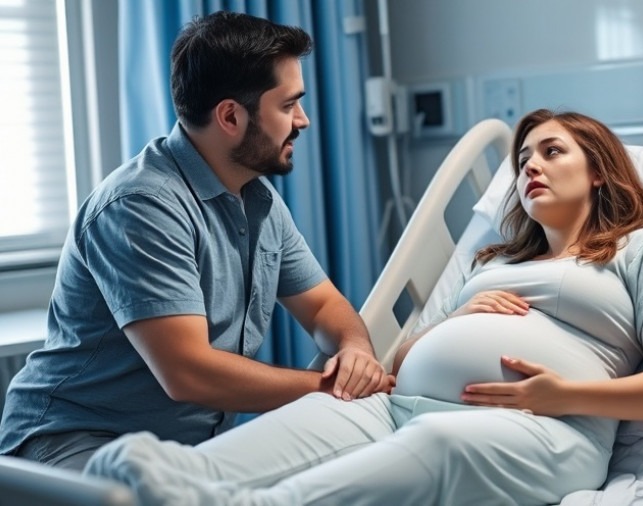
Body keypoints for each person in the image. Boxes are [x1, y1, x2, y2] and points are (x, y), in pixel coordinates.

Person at [84, 109, 643, 505]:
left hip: (549, 433)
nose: (530, 165)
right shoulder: (496, 262)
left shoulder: (640, 250)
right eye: (523, 156)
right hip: (399, 406)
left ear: (601, 173)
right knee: (317, 411)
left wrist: (563, 396)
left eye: (552, 152)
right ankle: (173, 478)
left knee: (441, 442)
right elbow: (406, 357)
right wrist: (450, 327)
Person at [0, 11, 388, 472]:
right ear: (230, 115)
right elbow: (188, 373)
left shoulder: (257, 199)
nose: (302, 120)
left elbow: (324, 307)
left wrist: (355, 352)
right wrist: (332, 389)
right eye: (287, 106)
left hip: (178, 450)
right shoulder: (142, 205)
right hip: (71, 443)